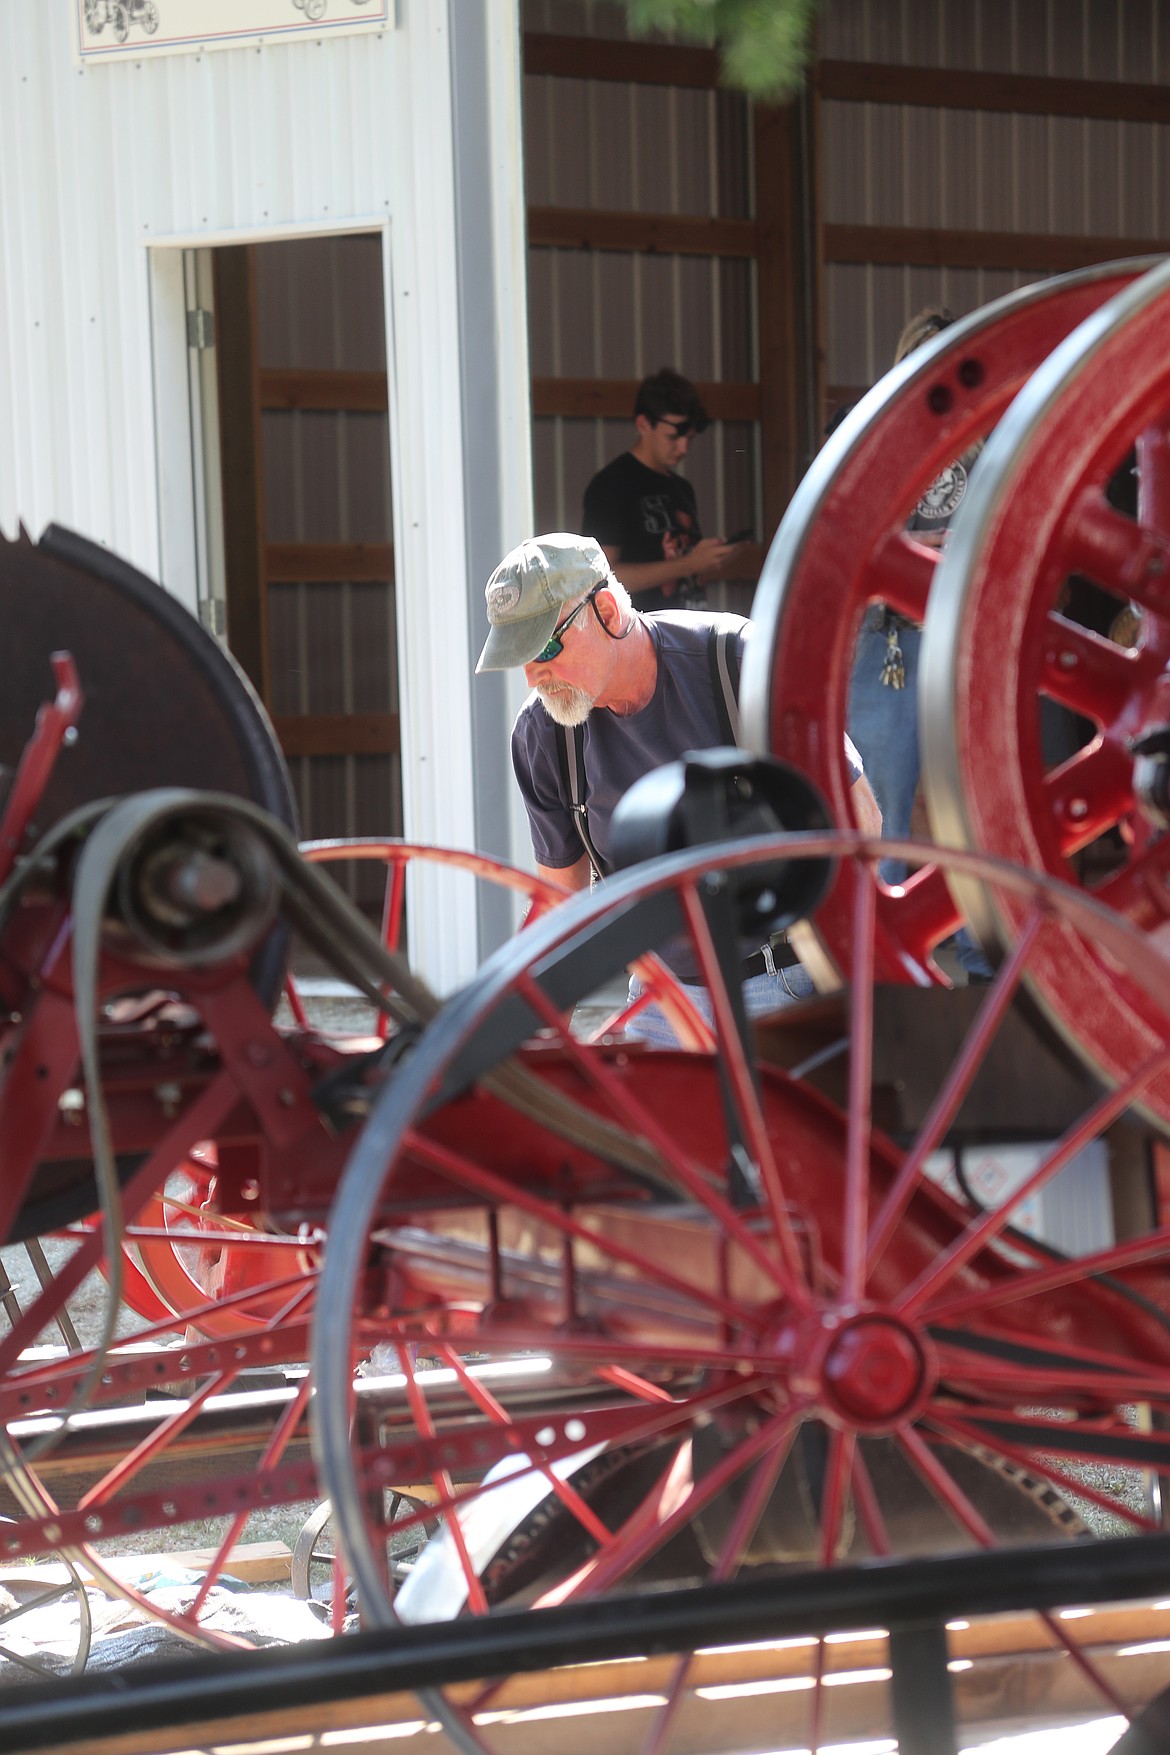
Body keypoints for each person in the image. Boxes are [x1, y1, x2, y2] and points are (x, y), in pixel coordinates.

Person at [476, 533, 881, 1043]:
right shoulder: (544, 734)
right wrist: (523, 1035)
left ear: (605, 609)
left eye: (546, 648)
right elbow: (561, 904)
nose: (535, 678)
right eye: (521, 660)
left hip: (786, 978)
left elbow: (859, 819)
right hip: (660, 997)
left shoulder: (737, 663)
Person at [581, 367, 742, 612]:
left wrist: (707, 559)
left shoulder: (681, 488)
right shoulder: (612, 484)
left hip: (688, 630)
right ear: (644, 424)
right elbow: (600, 577)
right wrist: (689, 564)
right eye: (673, 437)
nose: (683, 448)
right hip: (640, 636)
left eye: (689, 438)